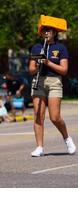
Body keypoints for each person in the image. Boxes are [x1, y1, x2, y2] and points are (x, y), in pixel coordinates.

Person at [29, 21, 76, 157]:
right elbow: (31, 70)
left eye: (49, 30)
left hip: (54, 81)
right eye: (44, 30)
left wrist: (48, 63)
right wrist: (37, 65)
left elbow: (64, 70)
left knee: (55, 117)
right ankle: (39, 147)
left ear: (54, 33)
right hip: (39, 81)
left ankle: (67, 138)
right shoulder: (36, 48)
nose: (46, 33)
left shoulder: (61, 48)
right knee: (39, 115)